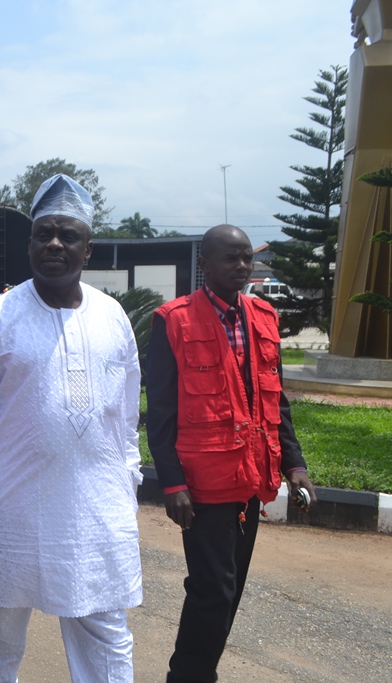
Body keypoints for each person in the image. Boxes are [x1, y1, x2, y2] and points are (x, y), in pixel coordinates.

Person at [0, 174, 144, 683]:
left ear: (87, 249)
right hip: (14, 506)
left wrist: (130, 479)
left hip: (96, 507)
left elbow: (125, 415)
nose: (54, 244)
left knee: (108, 630)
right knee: (3, 630)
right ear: (28, 245)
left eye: (67, 235)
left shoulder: (113, 317)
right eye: (44, 234)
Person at [145, 223, 317, 683]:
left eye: (247, 258)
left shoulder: (263, 316)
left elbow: (275, 400)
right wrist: (172, 483)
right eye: (230, 258)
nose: (241, 266)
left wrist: (294, 464)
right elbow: (160, 412)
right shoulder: (173, 321)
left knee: (230, 588)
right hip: (203, 484)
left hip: (250, 478)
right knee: (212, 590)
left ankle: (198, 672)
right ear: (205, 264)